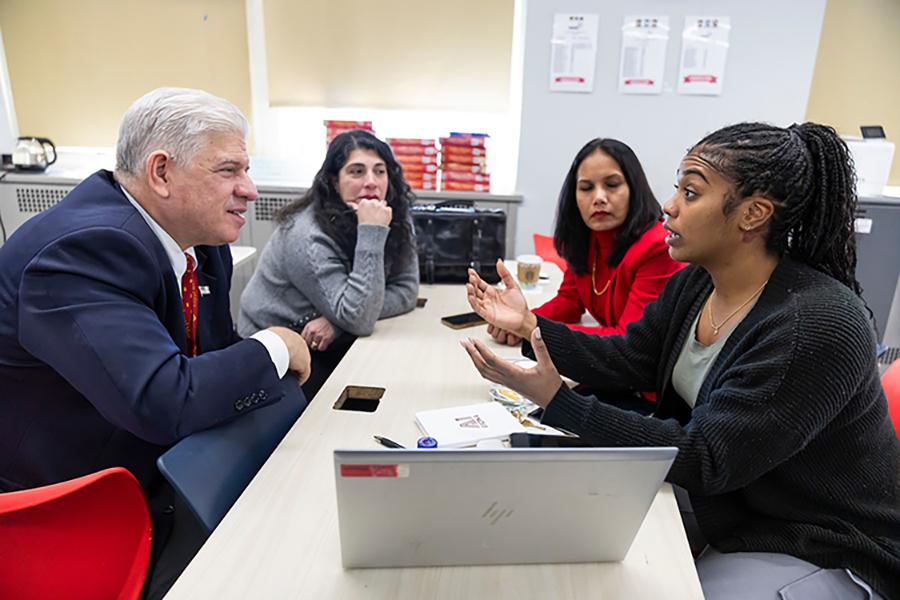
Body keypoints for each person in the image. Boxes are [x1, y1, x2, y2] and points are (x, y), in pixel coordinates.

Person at [462, 122, 900, 599]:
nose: (668, 206)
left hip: (824, 539)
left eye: (690, 192)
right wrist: (531, 326)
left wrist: (559, 401)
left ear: (753, 214)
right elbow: (629, 357)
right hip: (738, 497)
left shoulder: (813, 325)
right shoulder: (699, 282)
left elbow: (707, 458)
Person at [0, 87, 312, 597]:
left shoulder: (197, 243)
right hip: (61, 507)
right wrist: (276, 345)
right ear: (161, 172)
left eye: (247, 170)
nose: (250, 189)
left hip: (162, 467)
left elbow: (212, 356)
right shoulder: (83, 250)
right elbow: (164, 400)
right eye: (229, 170)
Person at [238, 129, 419, 399]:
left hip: (332, 338)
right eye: (357, 172)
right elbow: (359, 318)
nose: (371, 182)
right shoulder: (306, 235)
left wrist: (338, 323)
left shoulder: (389, 214)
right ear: (335, 181)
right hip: (276, 351)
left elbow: (406, 289)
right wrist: (371, 232)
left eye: (380, 172)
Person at [489, 138, 682, 346]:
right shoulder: (585, 238)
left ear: (634, 190)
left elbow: (629, 341)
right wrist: (519, 320)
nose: (599, 197)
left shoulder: (657, 246)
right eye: (586, 187)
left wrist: (531, 327)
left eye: (612, 185)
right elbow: (569, 302)